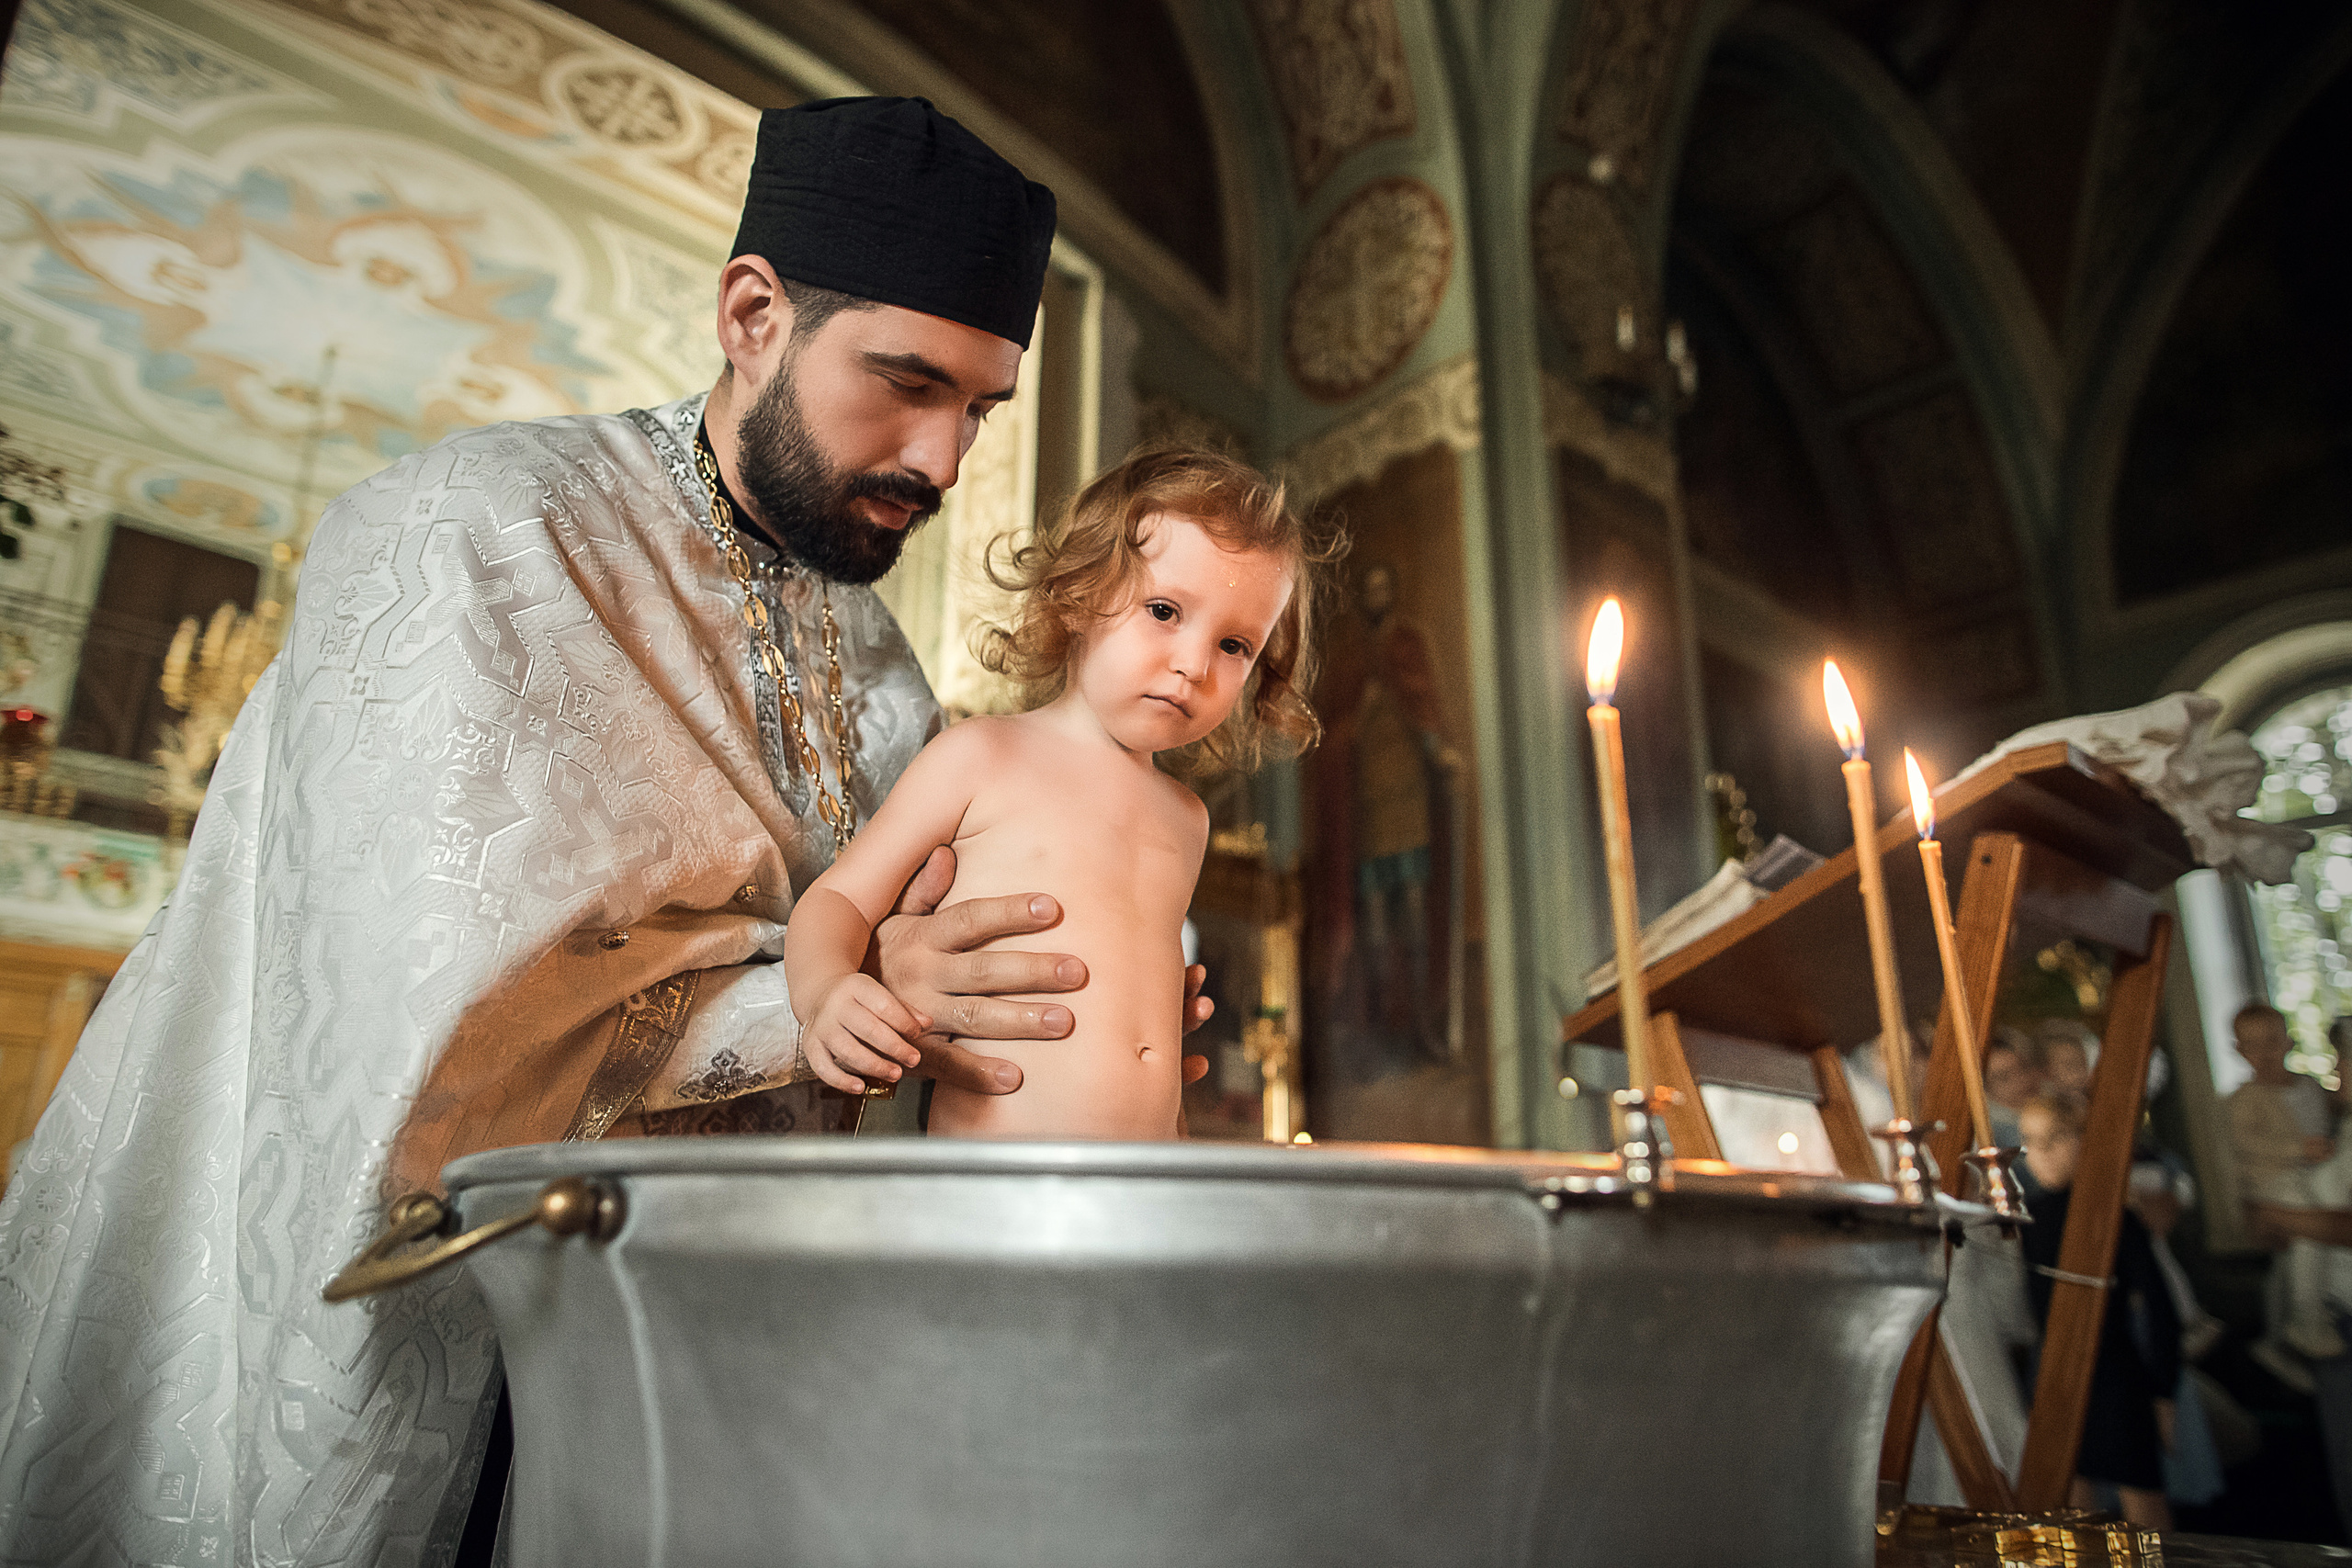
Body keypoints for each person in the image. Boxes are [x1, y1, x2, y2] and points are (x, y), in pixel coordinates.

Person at [0, 96, 1211, 1565]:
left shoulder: (891, 677)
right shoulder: (470, 528)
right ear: (753, 312)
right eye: (905, 381)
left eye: (983, 409)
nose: (945, 460)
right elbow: (420, 1026)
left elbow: (885, 1036)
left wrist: (1046, 1010)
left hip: (703, 1362)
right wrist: (839, 993)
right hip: (425, 1320)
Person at [786, 448, 1338, 1137]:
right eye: (1164, 610)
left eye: (1236, 645)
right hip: (993, 1178)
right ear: (1077, 596)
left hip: (1143, 1184)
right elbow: (837, 898)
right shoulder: (982, 753)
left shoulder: (1186, 818)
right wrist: (826, 994)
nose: (1195, 664)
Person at [2018, 1087, 2181, 1530]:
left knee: (2143, 1508)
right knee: (2072, 1507)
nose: (2041, 1154)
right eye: (2030, 1142)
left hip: (2114, 1376)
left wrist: (2164, 1393)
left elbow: (2161, 1309)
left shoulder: (2113, 1216)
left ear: (2083, 1140)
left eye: (2055, 1139)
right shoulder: (2024, 1218)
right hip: (2053, 1375)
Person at [2228, 1000, 2346, 1366]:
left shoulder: (2310, 1087)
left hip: (2311, 1175)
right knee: (2306, 1231)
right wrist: (2299, 1149)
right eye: (2253, 1045)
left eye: (2272, 1041)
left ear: (2288, 1042)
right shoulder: (2245, 1099)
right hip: (2274, 1180)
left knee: (2303, 1245)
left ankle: (2287, 1329)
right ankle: (2304, 1319)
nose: (2264, 1052)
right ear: (2240, 1051)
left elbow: (2329, 1122)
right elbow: (2248, 1144)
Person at [1983, 1027, 2041, 1147]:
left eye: (2024, 1067)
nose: (2021, 1080)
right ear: (1986, 1089)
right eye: (2004, 1077)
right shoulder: (1993, 1135)